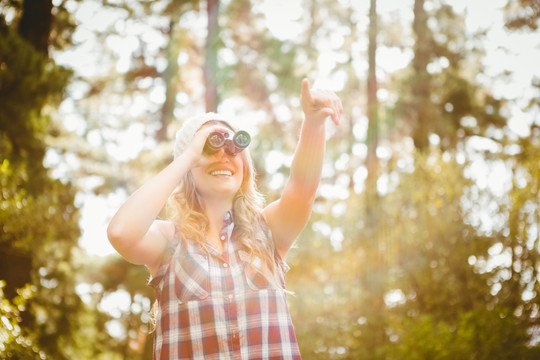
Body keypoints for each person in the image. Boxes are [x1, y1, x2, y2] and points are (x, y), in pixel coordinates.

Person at [107, 78, 342, 359]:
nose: (223, 154)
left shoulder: (269, 231)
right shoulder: (168, 241)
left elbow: (302, 188)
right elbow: (121, 232)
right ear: (189, 168)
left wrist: (314, 124)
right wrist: (189, 155)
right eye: (210, 146)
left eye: (233, 147)